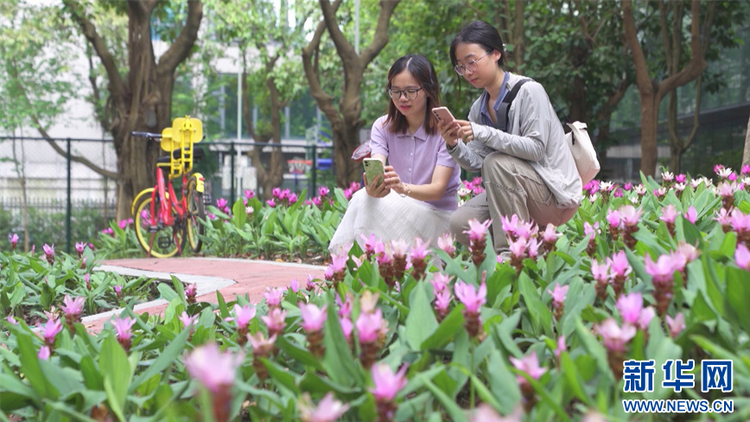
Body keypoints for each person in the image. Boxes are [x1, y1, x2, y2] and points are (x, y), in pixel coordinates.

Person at [440, 20, 581, 256]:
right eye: (460, 67)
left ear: (496, 53)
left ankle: (512, 254)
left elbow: (536, 149)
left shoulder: (529, 91)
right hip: (515, 190)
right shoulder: (479, 108)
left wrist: (482, 131)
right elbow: (476, 162)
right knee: (462, 224)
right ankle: (535, 246)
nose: (467, 72)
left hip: (554, 197)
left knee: (496, 163)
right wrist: (453, 144)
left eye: (472, 62)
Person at [329, 54, 461, 254]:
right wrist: (374, 186)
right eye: (396, 91)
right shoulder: (383, 127)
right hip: (399, 209)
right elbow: (377, 165)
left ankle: (354, 264)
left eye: (410, 91)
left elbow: (437, 190)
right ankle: (363, 263)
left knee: (361, 200)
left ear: (428, 90)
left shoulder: (445, 130)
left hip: (437, 218)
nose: (402, 99)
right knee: (364, 198)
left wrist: (402, 188)